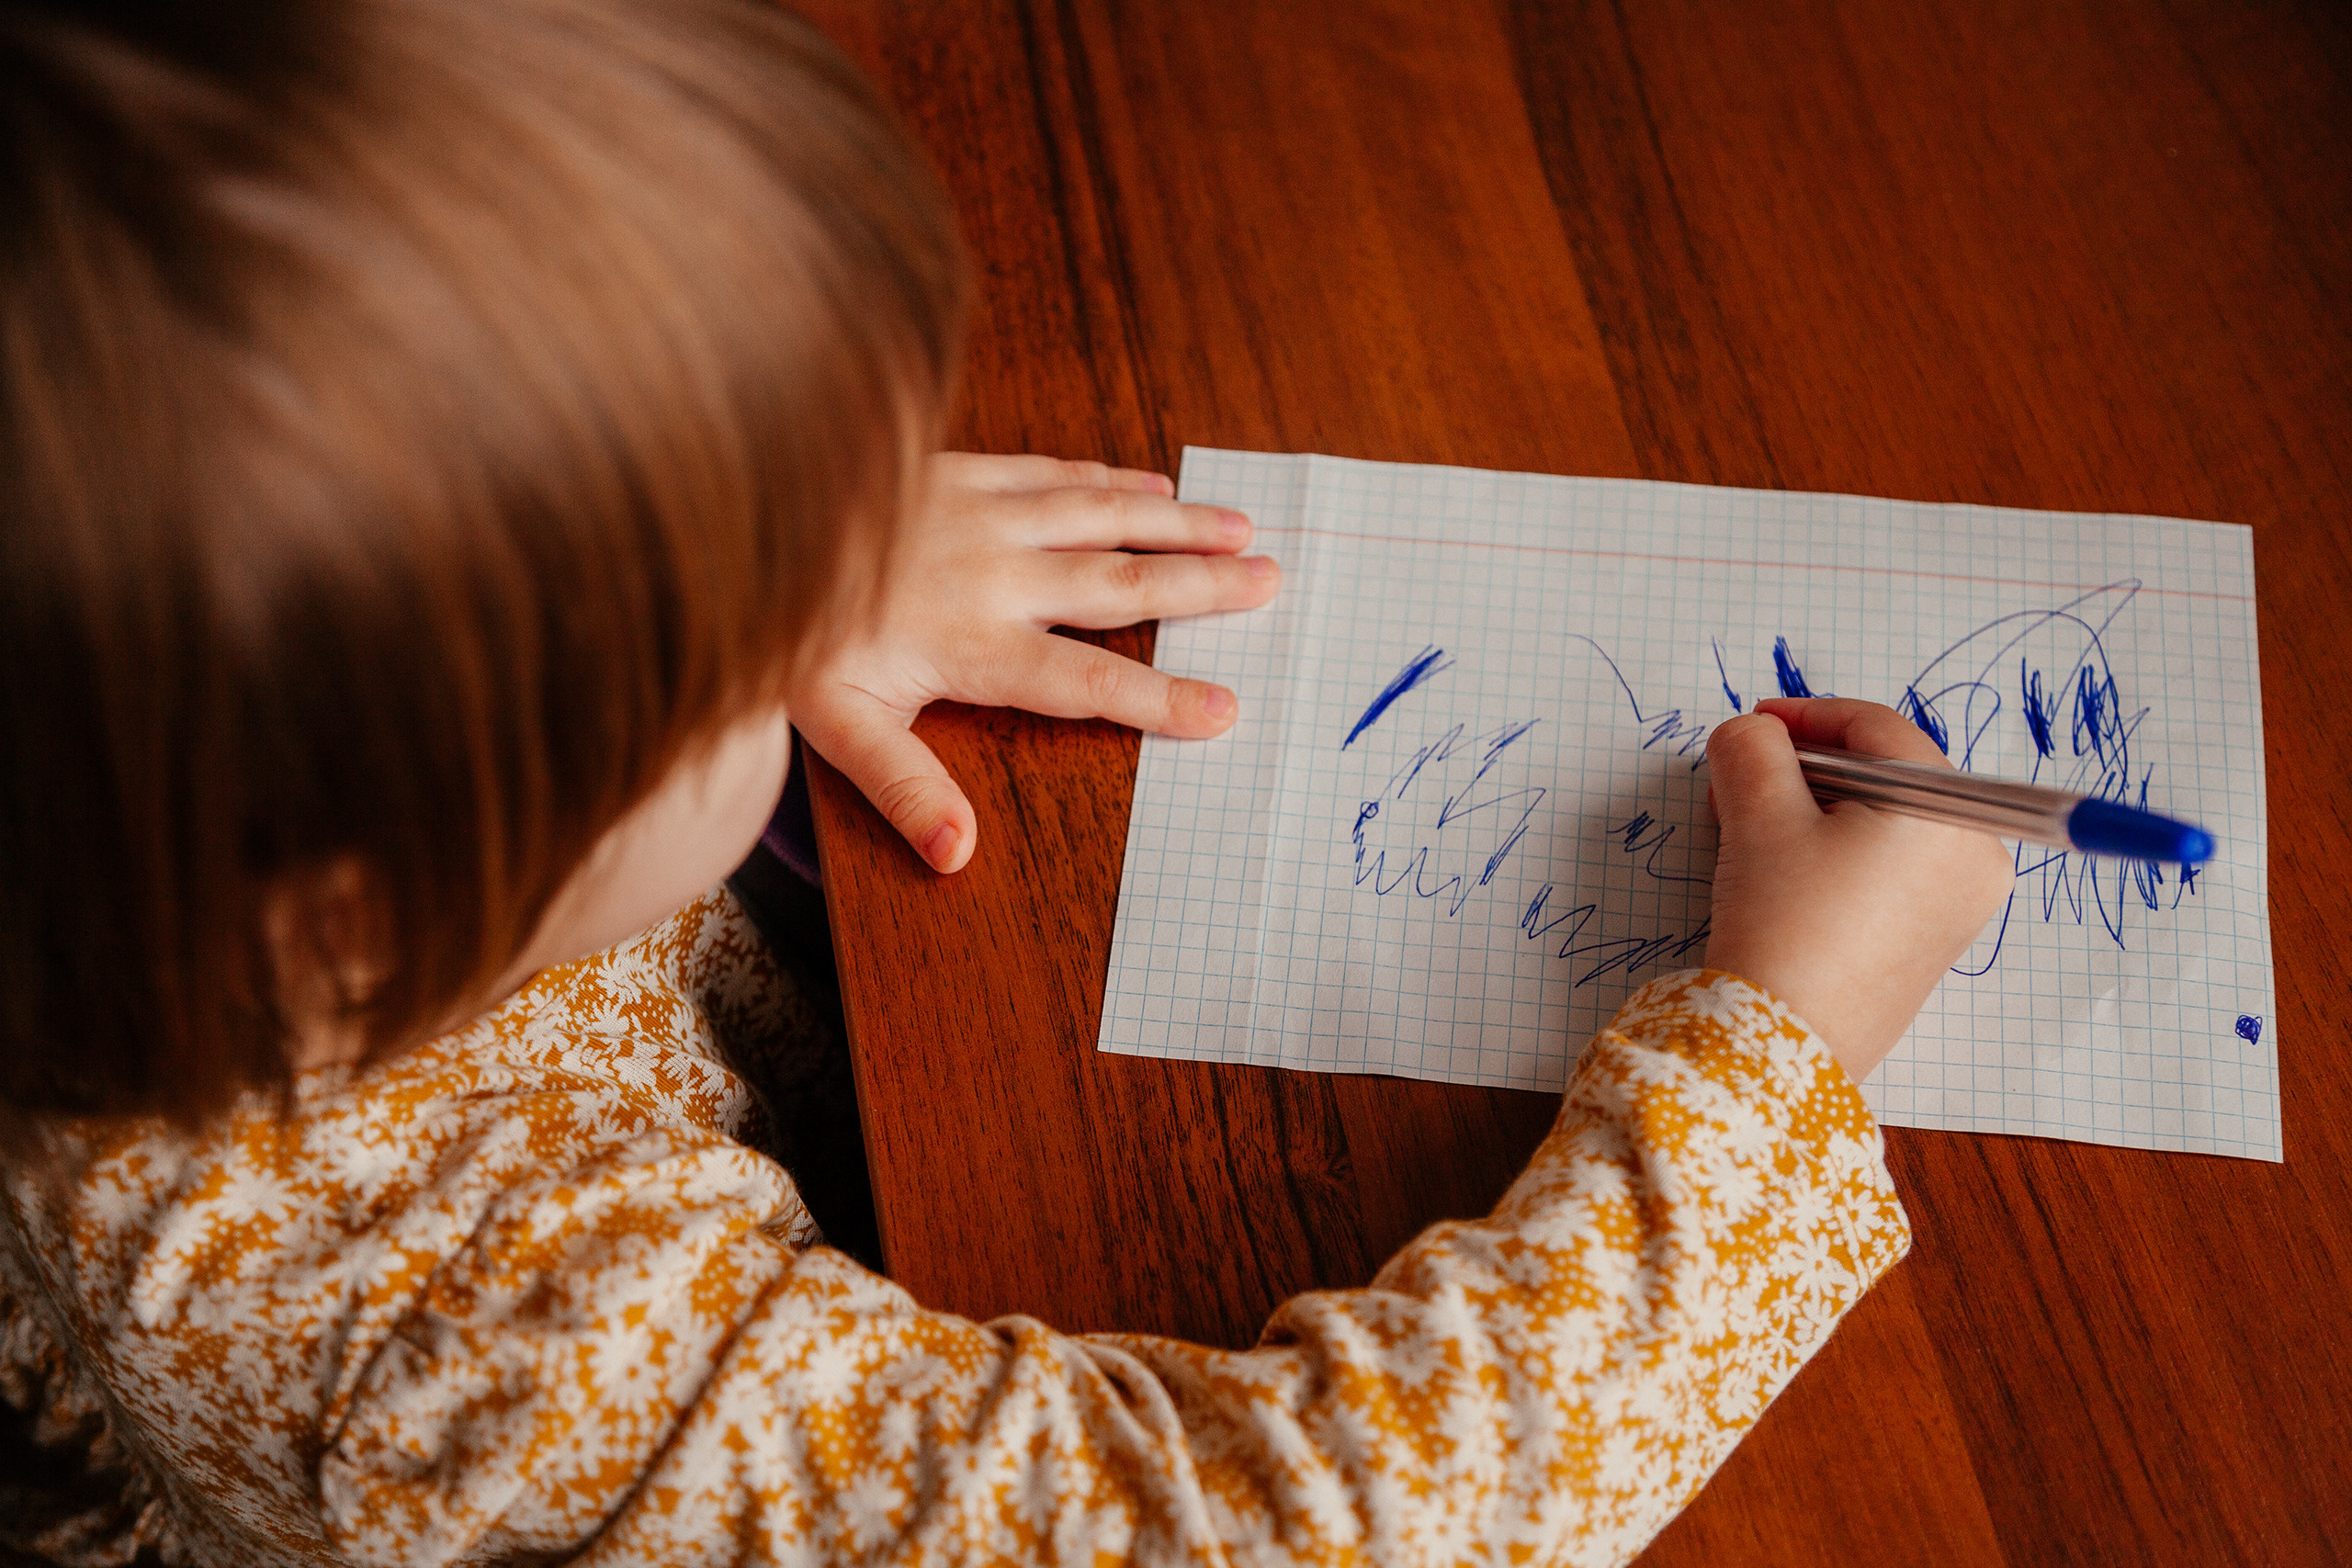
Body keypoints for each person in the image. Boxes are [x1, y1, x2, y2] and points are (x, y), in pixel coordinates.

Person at [0, 1, 2015, 1563]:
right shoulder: (439, 1326)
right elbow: (1298, 1528)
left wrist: (697, 569)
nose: (838, 562)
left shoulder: (165, 781)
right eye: (752, 599)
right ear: (380, 880)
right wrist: (1778, 1051)